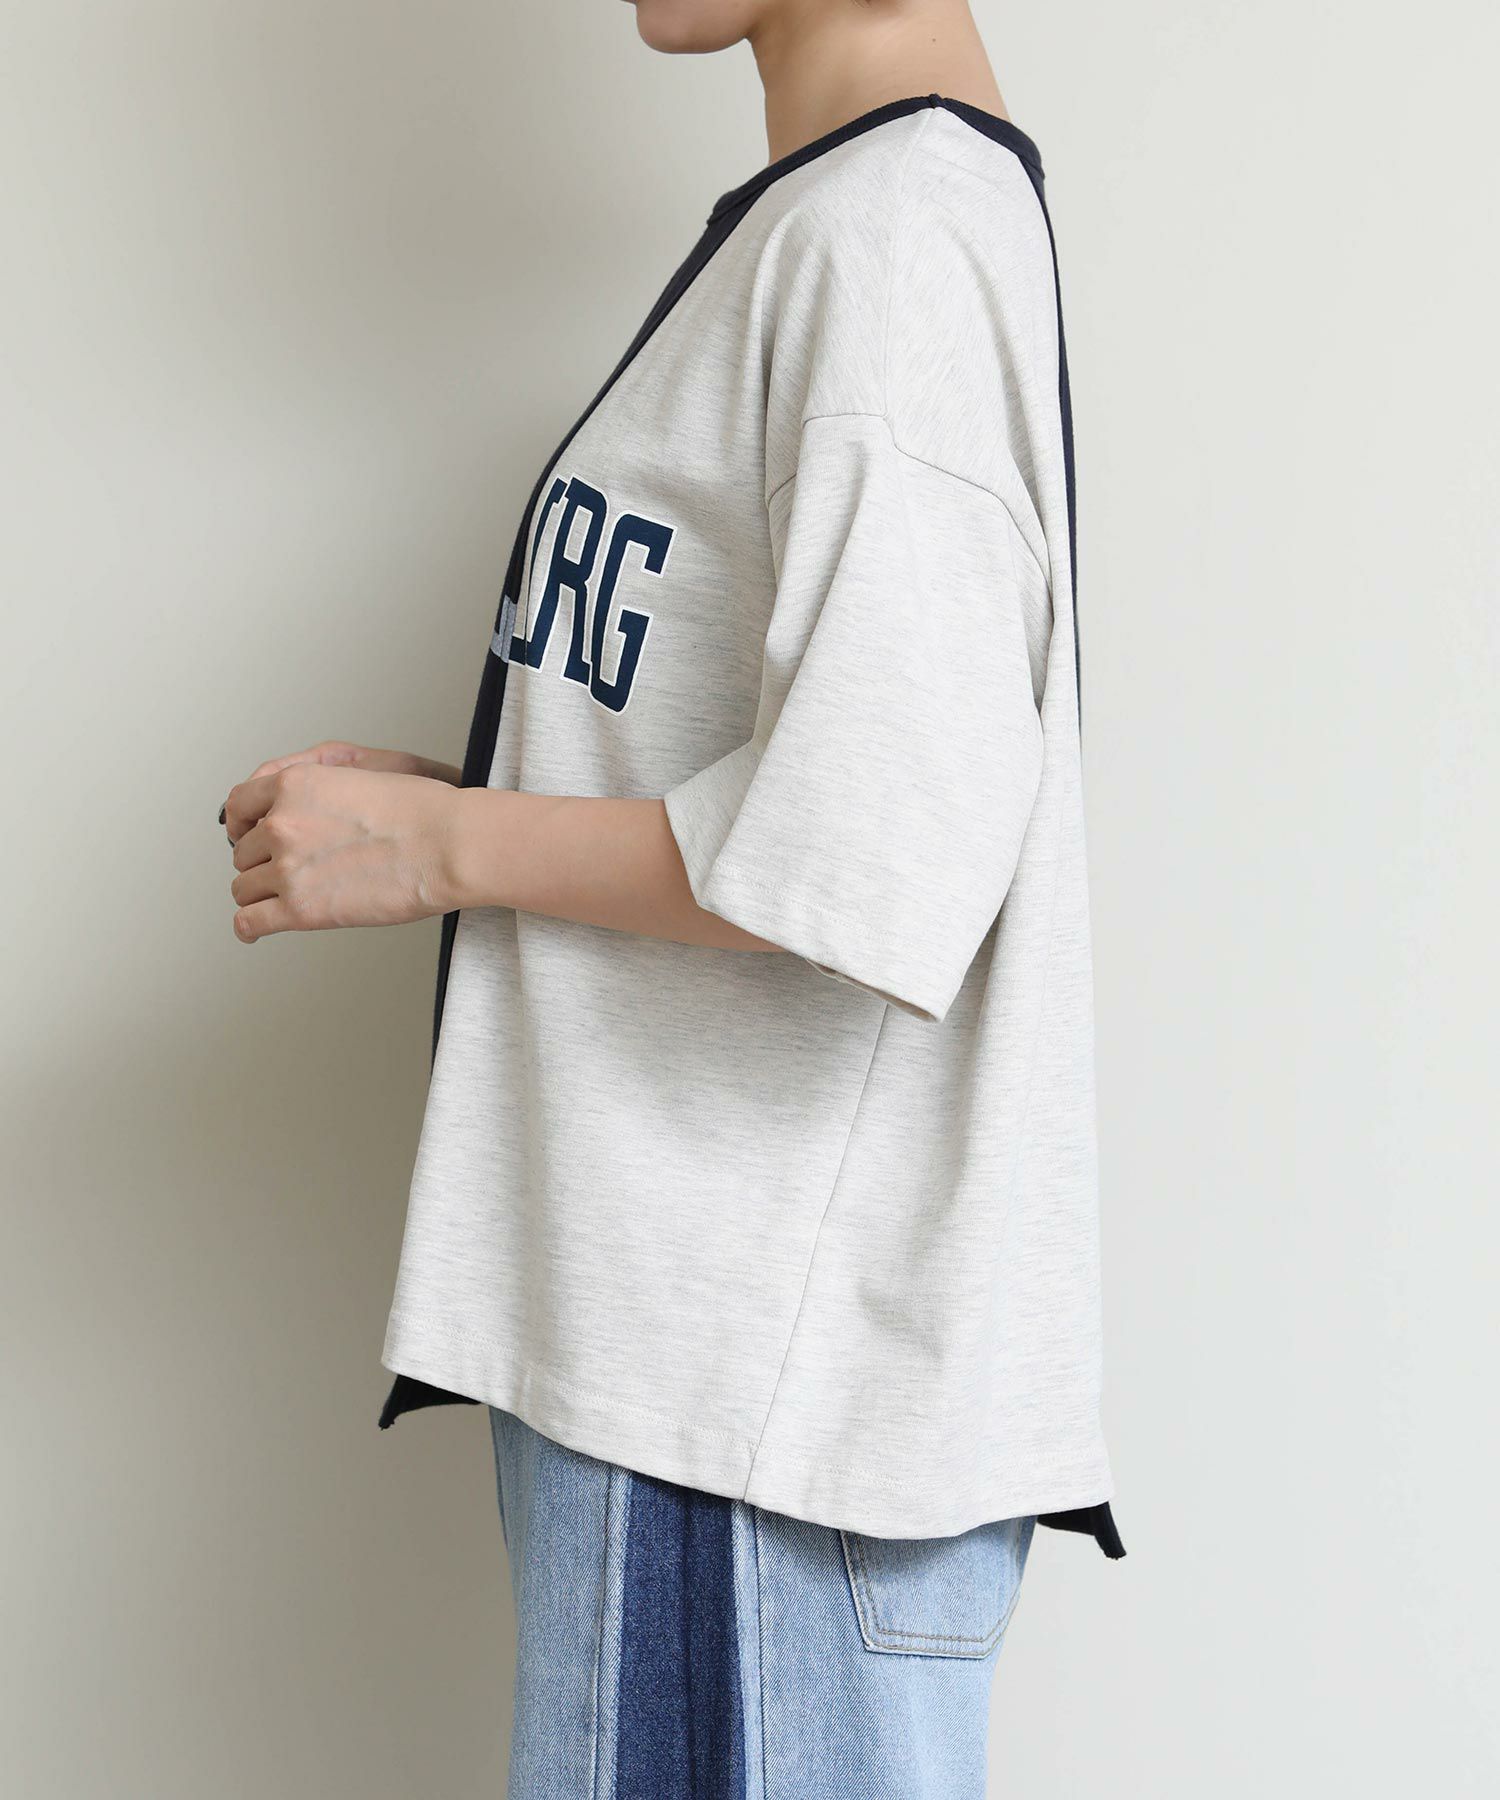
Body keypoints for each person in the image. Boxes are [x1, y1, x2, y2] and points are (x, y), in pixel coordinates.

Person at [221, 1, 1124, 1791]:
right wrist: (484, 795)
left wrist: (443, 850)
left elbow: (874, 850)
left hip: (742, 1433)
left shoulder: (888, 239)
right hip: (720, 1410)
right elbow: (834, 780)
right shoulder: (846, 221)